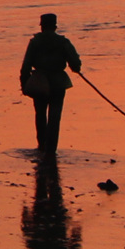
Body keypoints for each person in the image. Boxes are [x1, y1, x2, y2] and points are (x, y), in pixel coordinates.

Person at [20, 12, 81, 153]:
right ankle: (51, 148)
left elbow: (26, 66)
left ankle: (42, 145)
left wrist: (24, 84)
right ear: (55, 26)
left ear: (42, 27)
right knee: (55, 116)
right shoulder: (63, 42)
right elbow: (75, 64)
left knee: (40, 114)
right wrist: (75, 67)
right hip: (58, 83)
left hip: (39, 82)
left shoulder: (34, 42)